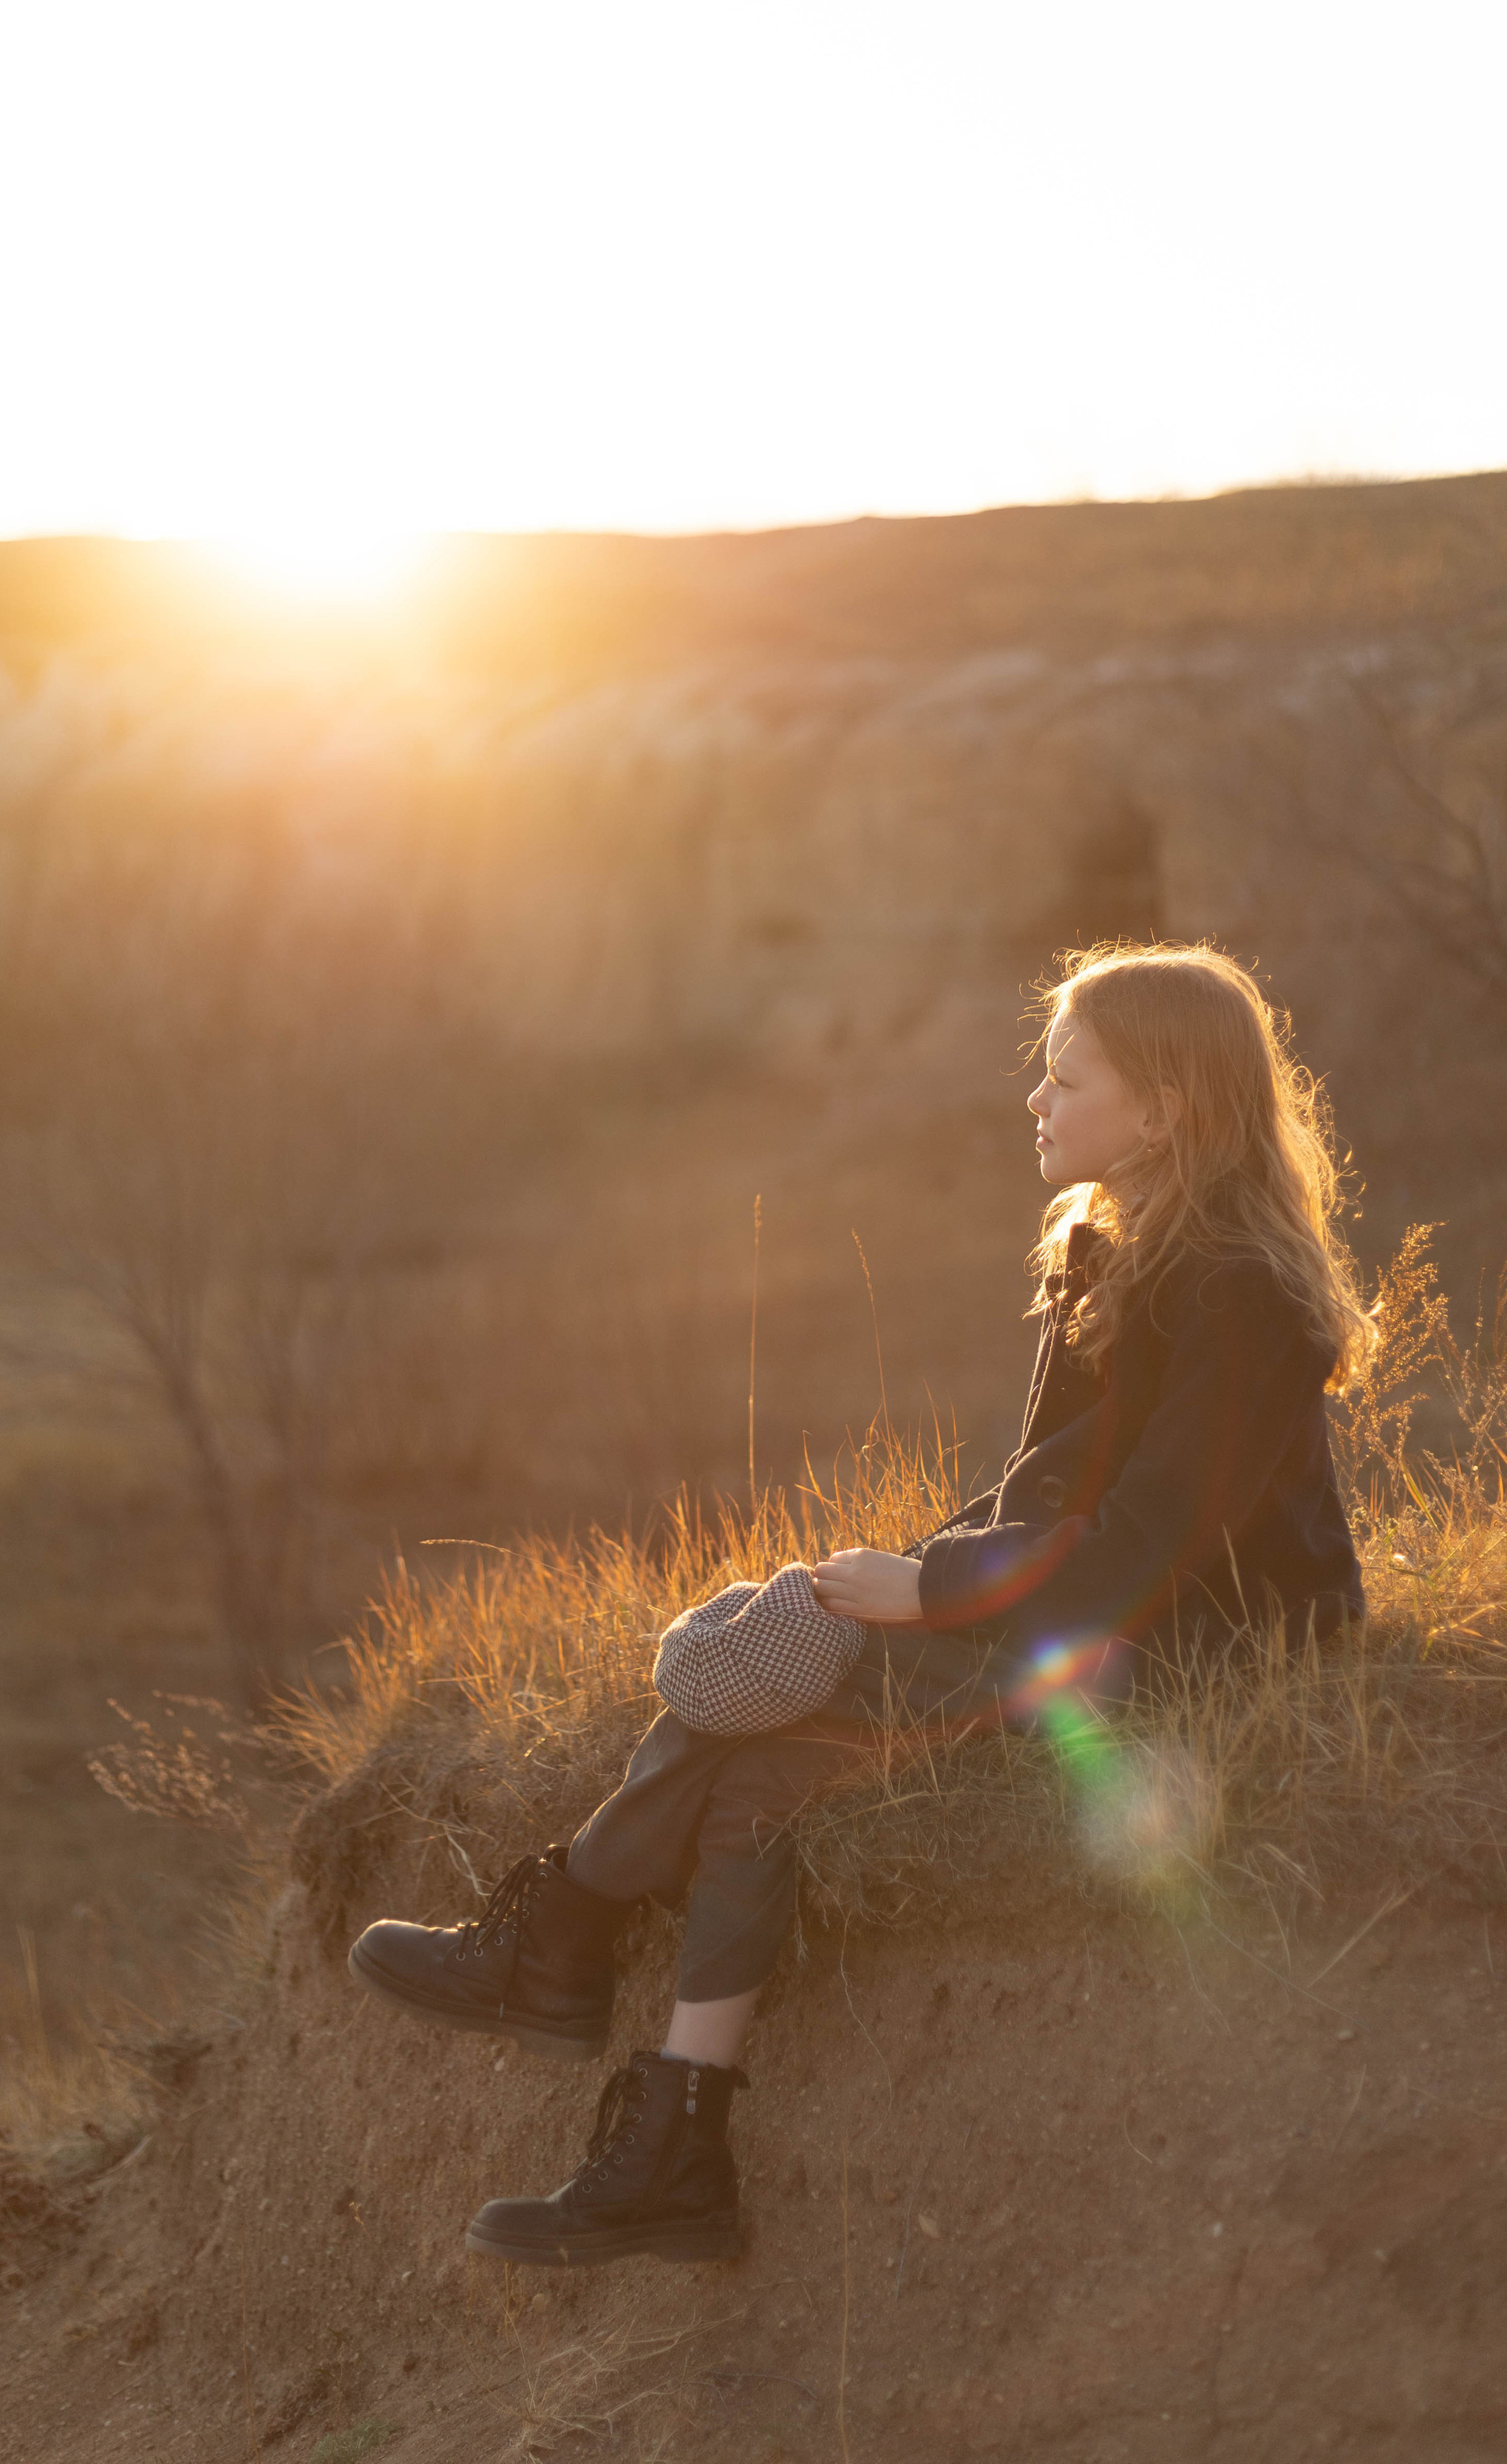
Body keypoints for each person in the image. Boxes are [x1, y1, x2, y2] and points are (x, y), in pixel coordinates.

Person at [347, 942, 1373, 2267]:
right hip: (1099, 1612)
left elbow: (1140, 1550)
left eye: (1067, 1080)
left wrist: (929, 1592)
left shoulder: (1244, 1298)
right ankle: (676, 2149)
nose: (1037, 1104)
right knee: (758, 1770)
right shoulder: (1112, 1253)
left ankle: (560, 1943)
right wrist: (911, 1575)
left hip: (1200, 1653)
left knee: (784, 1688)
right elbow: (1041, 1493)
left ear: (1166, 1109)